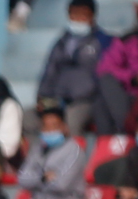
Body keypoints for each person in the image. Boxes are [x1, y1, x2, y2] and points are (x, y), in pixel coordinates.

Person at [13, 103, 87, 199]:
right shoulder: (37, 149)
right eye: (46, 127)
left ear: (64, 127)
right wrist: (43, 178)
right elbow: (22, 179)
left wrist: (35, 181)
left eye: (54, 126)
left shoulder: (75, 150)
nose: (50, 130)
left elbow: (61, 185)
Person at [36, 0, 109, 135]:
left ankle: (74, 149)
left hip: (87, 101)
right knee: (30, 119)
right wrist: (43, 98)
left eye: (83, 15)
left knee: (72, 120)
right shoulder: (62, 42)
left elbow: (104, 77)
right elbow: (50, 70)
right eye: (74, 15)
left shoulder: (103, 42)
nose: (78, 19)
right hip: (58, 99)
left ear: (92, 16)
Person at [93, 16, 138, 135]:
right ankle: (121, 134)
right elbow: (105, 67)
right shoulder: (128, 41)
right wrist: (133, 77)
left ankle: (125, 132)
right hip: (130, 93)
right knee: (105, 87)